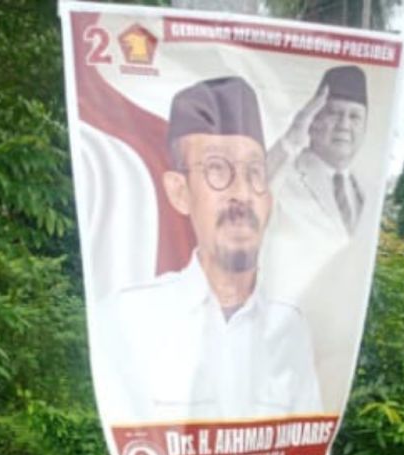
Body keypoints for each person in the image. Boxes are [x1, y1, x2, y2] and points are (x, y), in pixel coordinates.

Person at [91, 76, 322, 425]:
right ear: (179, 191)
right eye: (217, 169)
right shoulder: (129, 318)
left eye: (255, 172)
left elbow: (303, 439)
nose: (241, 194)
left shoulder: (289, 327)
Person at [267, 65, 370, 238]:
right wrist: (290, 139)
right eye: (334, 113)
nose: (344, 125)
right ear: (313, 119)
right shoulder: (283, 173)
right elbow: (244, 191)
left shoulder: (362, 191)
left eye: (354, 117)